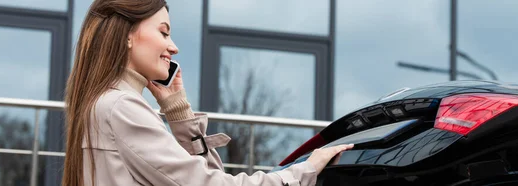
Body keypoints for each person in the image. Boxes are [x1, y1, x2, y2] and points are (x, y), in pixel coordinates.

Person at [62, 0, 354, 185]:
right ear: (127, 36)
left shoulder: (105, 103)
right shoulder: (122, 107)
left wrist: (178, 113)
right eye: (163, 32)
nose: (173, 46)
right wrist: (305, 170)